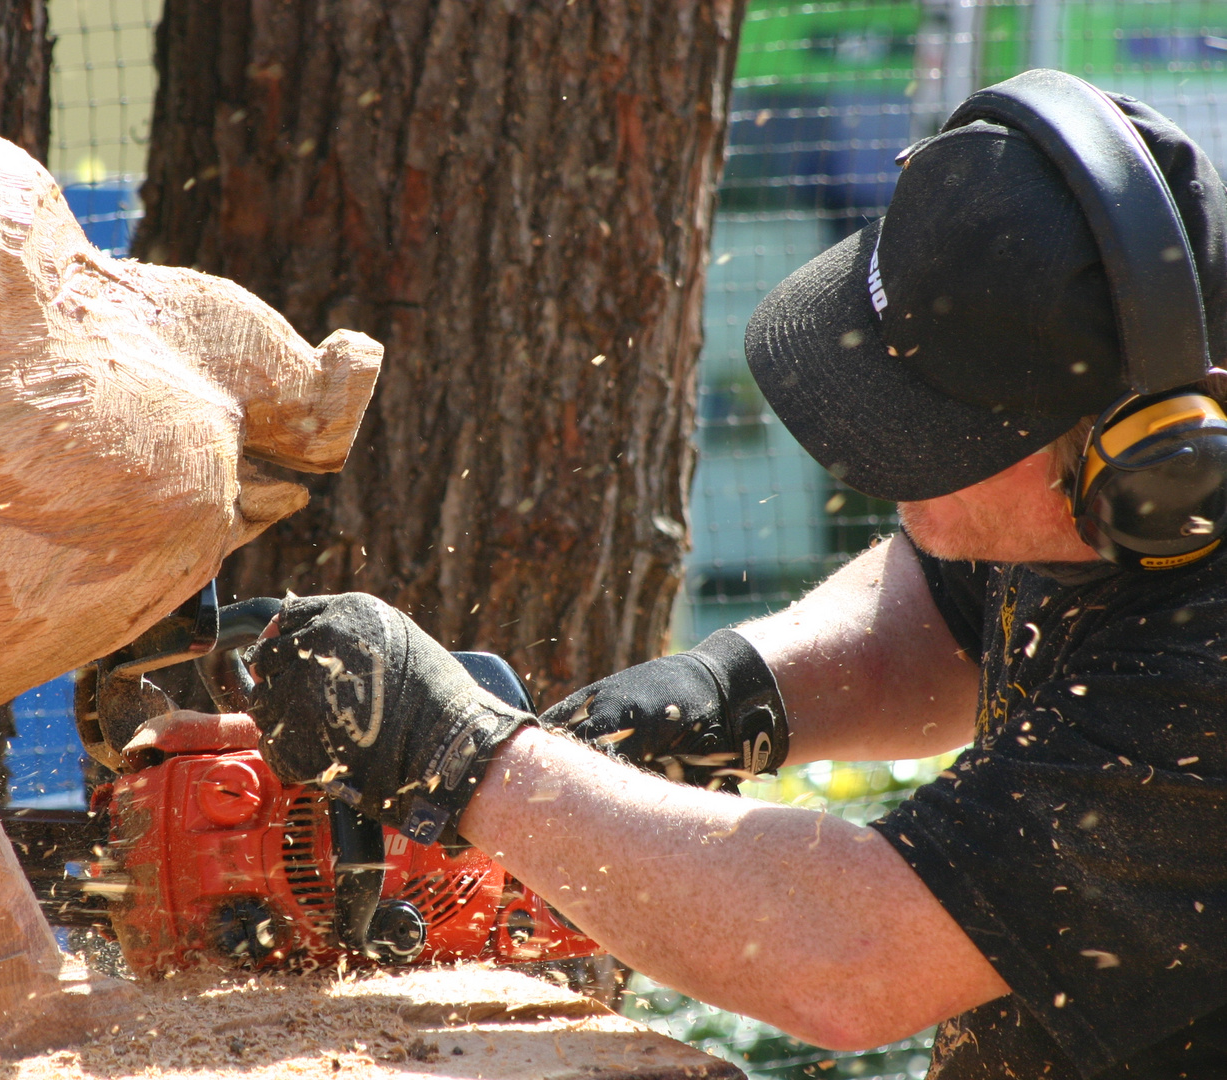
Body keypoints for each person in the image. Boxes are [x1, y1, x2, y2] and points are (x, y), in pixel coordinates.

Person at [239, 72, 1227, 1079]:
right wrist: (735, 693)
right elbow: (945, 609)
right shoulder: (1116, 512)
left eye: (944, 439)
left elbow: (856, 955)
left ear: (1147, 450)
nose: (898, 479)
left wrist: (467, 758)